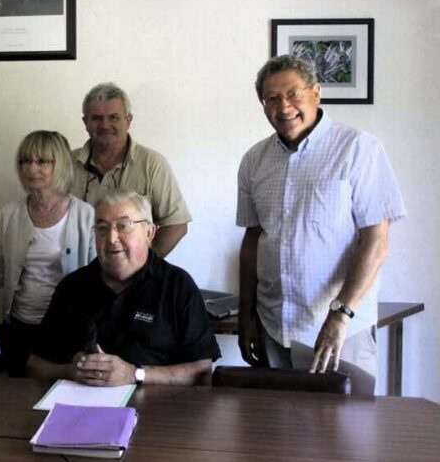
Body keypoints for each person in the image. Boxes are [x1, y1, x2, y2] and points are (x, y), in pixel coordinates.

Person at [237, 55, 406, 395]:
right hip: (273, 328)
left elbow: (377, 242)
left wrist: (340, 314)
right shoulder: (254, 160)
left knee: (346, 442)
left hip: (339, 331)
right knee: (277, 437)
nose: (284, 107)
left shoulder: (359, 149)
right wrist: (246, 315)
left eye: (293, 94)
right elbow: (253, 240)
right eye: (271, 98)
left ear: (316, 93)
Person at [27, 190, 220, 386]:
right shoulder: (72, 287)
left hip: (156, 410)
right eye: (102, 227)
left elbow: (202, 371)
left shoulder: (177, 286)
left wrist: (134, 375)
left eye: (123, 226)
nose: (111, 238)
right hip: (80, 408)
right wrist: (70, 371)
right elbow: (35, 365)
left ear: (149, 233)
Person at [0, 130, 96, 376]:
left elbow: (97, 277)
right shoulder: (9, 214)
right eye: (25, 161)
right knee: (18, 403)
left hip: (68, 330)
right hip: (20, 325)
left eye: (42, 161)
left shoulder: (86, 216)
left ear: (60, 165)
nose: (31, 168)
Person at [70, 82, 191, 258]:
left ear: (128, 120)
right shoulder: (66, 164)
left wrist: (142, 267)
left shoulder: (152, 164)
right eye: (96, 118)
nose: (104, 125)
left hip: (133, 279)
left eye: (113, 117)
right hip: (76, 274)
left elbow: (176, 225)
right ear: (85, 122)